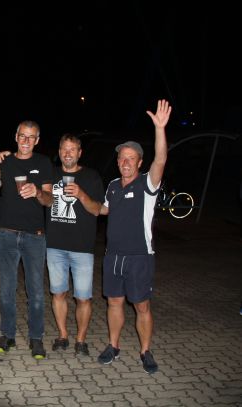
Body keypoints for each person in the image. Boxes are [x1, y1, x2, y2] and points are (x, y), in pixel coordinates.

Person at [97, 99, 171, 374]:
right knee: (114, 302)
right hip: (113, 256)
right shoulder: (112, 186)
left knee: (141, 305)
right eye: (121, 158)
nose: (125, 162)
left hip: (140, 256)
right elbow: (103, 210)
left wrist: (160, 128)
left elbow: (160, 159)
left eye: (131, 158)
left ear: (139, 162)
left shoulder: (147, 184)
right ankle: (113, 346)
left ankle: (145, 351)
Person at [0, 120, 54, 360]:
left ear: (37, 140)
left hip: (34, 236)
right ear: (16, 136)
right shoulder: (5, 162)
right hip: (6, 234)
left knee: (36, 291)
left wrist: (37, 192)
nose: (26, 141)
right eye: (22, 136)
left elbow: (49, 200)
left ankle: (36, 338)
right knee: (6, 290)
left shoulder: (43, 163)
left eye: (31, 137)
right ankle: (7, 334)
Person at [46, 133, 104, 357]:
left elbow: (97, 210)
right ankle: (62, 335)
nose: (67, 153)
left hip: (82, 248)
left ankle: (81, 339)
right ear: (59, 151)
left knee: (83, 297)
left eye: (72, 149)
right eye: (64, 149)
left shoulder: (91, 176)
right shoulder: (51, 173)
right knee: (58, 293)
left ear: (80, 153)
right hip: (55, 245)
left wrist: (81, 194)